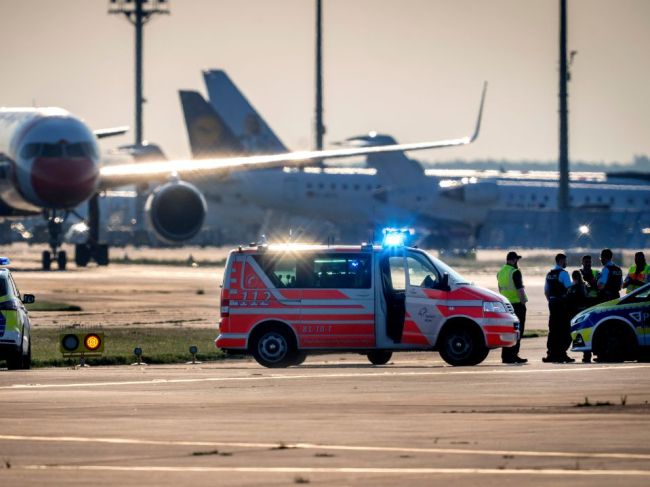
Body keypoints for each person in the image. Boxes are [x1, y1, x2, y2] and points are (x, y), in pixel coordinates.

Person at [496, 251, 528, 364]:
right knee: (518, 331)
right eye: (516, 260)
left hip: (506, 305)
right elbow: (520, 289)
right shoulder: (515, 272)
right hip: (517, 305)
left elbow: (500, 289)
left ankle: (506, 356)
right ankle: (514, 355)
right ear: (513, 260)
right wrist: (523, 302)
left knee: (508, 331)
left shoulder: (500, 272)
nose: (517, 262)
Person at [543, 253, 574, 363]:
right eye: (565, 261)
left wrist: (551, 301)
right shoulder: (564, 274)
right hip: (561, 304)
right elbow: (569, 290)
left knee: (553, 329)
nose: (566, 263)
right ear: (561, 261)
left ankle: (551, 353)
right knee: (564, 329)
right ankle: (561, 353)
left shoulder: (549, 274)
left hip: (552, 302)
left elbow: (546, 291)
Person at [567, 270, 592, 363]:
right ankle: (587, 355)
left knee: (575, 334)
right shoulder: (585, 286)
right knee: (584, 332)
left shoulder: (572, 288)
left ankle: (585, 355)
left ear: (573, 278)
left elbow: (568, 300)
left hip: (575, 313)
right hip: (584, 312)